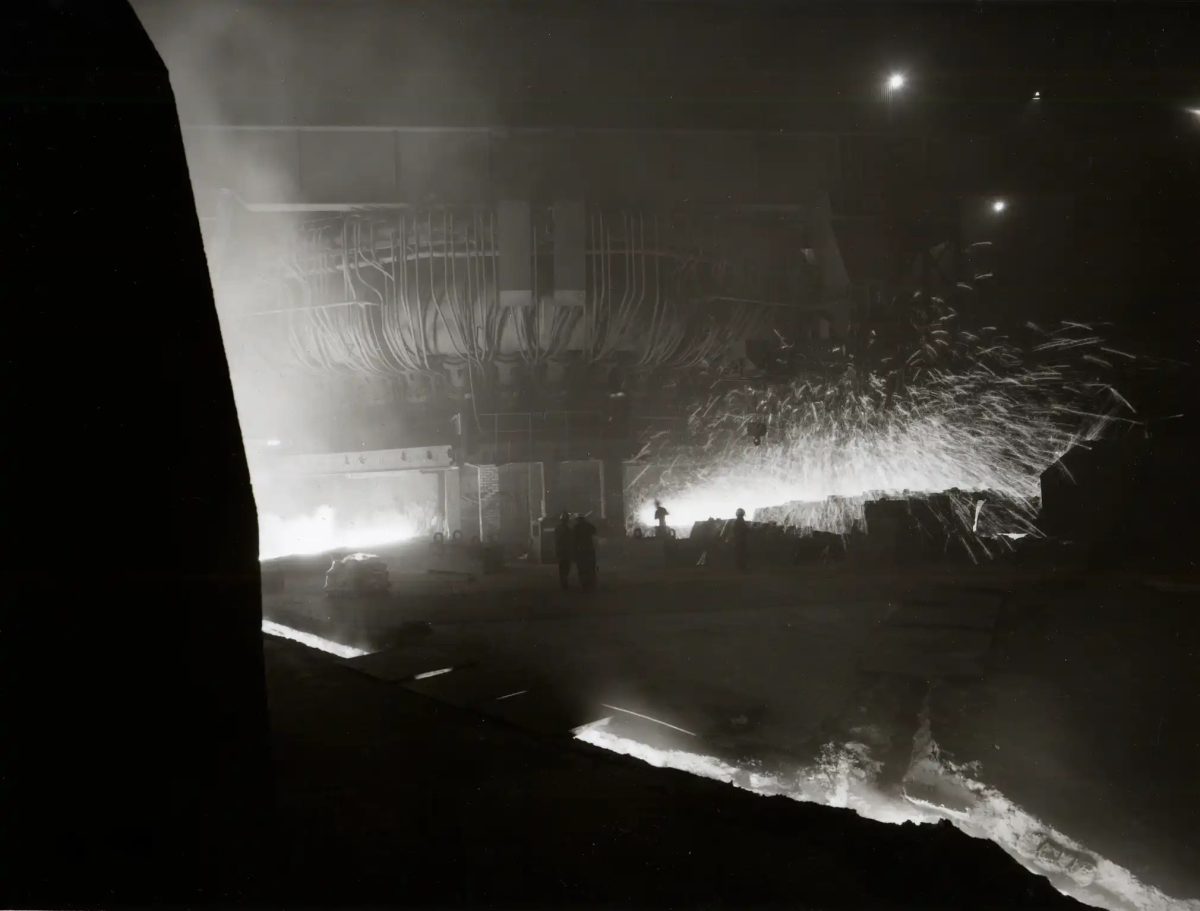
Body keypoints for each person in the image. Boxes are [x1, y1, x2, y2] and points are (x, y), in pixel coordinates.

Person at [573, 513, 598, 591]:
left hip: (580, 550)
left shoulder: (576, 527)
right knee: (590, 567)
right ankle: (590, 582)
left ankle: (584, 583)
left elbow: (573, 539)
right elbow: (594, 531)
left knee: (582, 567)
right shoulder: (588, 526)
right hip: (589, 549)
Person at [555, 511, 573, 590]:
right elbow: (570, 539)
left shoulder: (558, 528)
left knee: (562, 567)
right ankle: (564, 582)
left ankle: (563, 582)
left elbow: (556, 539)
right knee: (566, 567)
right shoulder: (568, 529)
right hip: (566, 550)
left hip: (561, 550)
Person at [732, 507, 749, 572]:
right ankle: (741, 567)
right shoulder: (740, 521)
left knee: (739, 553)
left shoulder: (737, 521)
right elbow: (745, 529)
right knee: (741, 553)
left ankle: (740, 567)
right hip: (741, 540)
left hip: (738, 539)